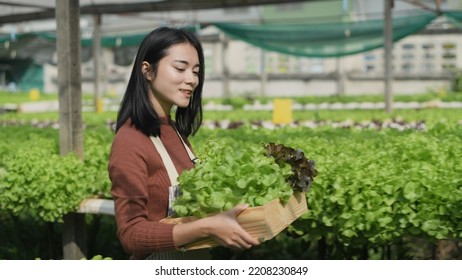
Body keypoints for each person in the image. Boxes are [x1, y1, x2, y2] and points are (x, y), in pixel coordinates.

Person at [108, 26, 259, 260]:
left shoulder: (174, 131)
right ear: (147, 71)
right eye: (180, 68)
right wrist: (207, 227)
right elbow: (131, 234)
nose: (192, 80)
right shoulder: (131, 140)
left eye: (196, 71)